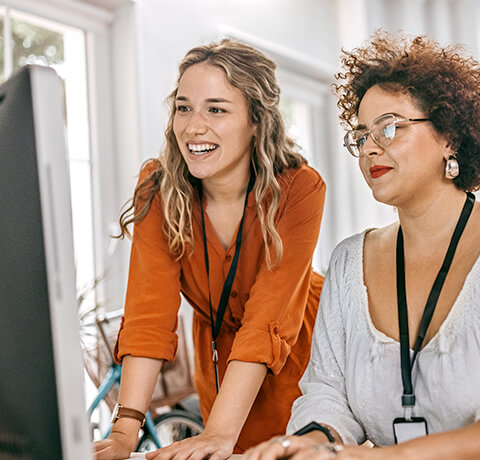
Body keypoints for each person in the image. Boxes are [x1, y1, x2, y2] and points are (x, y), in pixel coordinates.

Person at [244, 31, 480, 460]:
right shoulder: (347, 263)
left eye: (390, 127)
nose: (369, 148)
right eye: (360, 135)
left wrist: (389, 456)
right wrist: (305, 443)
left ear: (449, 137)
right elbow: (328, 396)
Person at [92, 39, 326, 460]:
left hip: (300, 358)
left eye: (215, 109)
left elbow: (267, 320)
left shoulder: (299, 188)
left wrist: (218, 430)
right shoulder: (160, 189)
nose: (193, 127)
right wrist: (125, 431)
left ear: (256, 120)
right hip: (218, 363)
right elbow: (149, 314)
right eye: (184, 108)